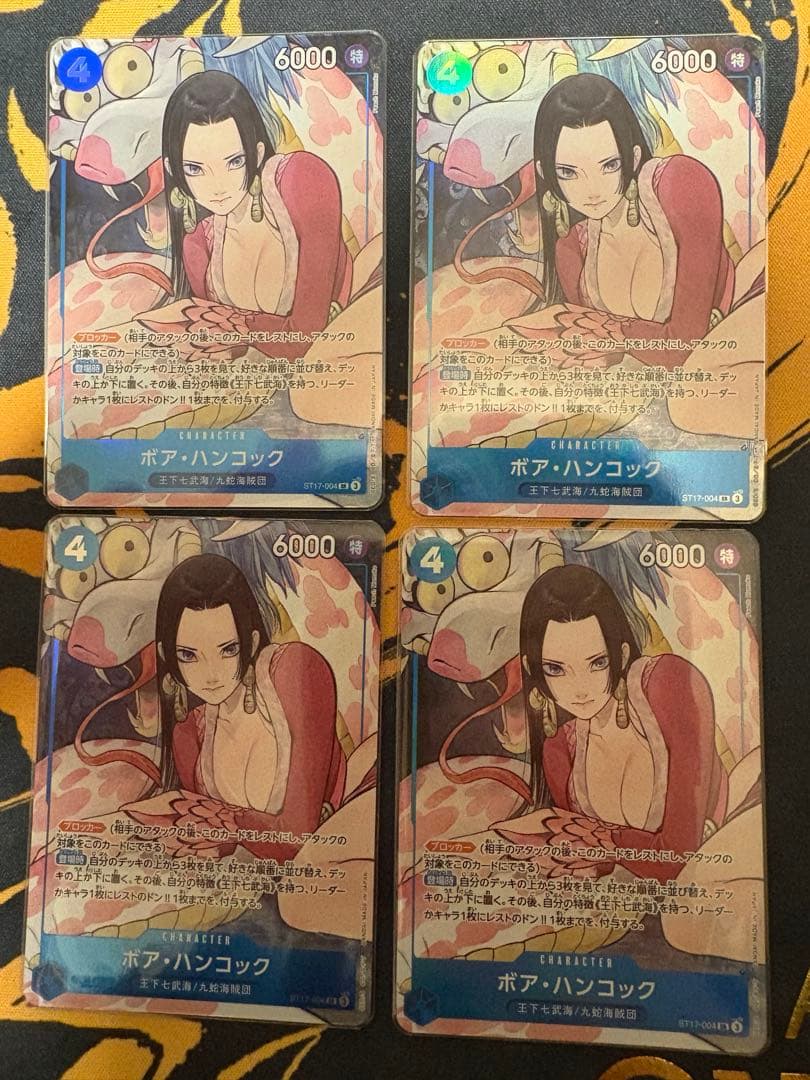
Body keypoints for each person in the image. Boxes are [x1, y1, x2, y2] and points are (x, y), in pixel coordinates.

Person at [492, 563, 728, 881]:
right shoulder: (559, 748)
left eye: (597, 662)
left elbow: (675, 859)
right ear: (532, 668)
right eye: (555, 669)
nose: (580, 689)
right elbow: (590, 860)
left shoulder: (669, 684)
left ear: (622, 653)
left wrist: (603, 840)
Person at [123, 553, 347, 862]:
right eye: (188, 655)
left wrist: (224, 821)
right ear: (166, 655)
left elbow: (295, 837)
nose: (211, 675)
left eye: (228, 649)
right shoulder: (189, 732)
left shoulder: (295, 670)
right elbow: (214, 842)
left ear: (251, 643)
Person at [529, 72, 743, 369]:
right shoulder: (572, 248)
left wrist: (617, 334)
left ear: (634, 156)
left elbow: (681, 347)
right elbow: (600, 353)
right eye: (568, 172)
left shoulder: (681, 184)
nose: (592, 190)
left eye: (609, 165)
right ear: (545, 172)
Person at [149, 69, 352, 361]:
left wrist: (236, 325)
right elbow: (226, 346)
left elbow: (302, 338)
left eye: (234, 161)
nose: (218, 186)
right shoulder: (198, 244)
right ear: (173, 170)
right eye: (194, 169)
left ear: (256, 154)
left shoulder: (302, 179)